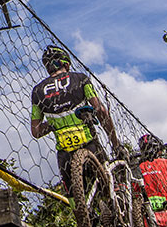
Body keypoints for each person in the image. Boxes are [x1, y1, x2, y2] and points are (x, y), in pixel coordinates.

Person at [30, 44, 123, 193]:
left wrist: (53, 123)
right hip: (90, 146)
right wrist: (116, 144)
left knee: (76, 201)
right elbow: (100, 110)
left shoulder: (37, 91)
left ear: (48, 68)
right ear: (66, 64)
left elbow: (36, 131)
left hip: (65, 155)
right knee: (112, 189)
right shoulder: (80, 78)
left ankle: (81, 214)